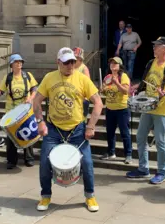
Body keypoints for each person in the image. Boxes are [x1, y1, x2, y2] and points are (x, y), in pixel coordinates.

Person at [33, 47, 103, 212]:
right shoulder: (49, 78)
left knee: (87, 162)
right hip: (53, 129)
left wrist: (91, 126)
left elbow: (98, 103)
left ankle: (90, 195)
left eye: (72, 62)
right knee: (44, 163)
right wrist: (40, 122)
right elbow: (36, 102)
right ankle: (45, 196)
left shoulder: (82, 79)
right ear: (58, 62)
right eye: (66, 62)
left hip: (77, 130)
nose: (70, 65)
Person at [126, 37, 165, 184]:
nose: (154, 48)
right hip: (148, 107)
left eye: (156, 46)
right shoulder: (151, 63)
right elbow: (147, 82)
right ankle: (143, 168)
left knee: (160, 141)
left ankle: (162, 171)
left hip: (162, 109)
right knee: (140, 137)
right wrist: (136, 88)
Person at [0, 54, 38, 169]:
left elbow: (35, 89)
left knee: (27, 134)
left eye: (21, 62)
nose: (19, 64)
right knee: (11, 136)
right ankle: (11, 160)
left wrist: (30, 98)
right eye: (17, 62)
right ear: (11, 64)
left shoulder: (27, 76)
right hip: (11, 111)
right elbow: (0, 93)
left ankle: (29, 158)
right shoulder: (8, 78)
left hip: (25, 110)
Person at [100, 57, 133, 164]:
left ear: (120, 66)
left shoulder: (123, 76)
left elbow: (125, 91)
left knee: (124, 132)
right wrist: (103, 90)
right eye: (111, 63)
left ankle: (128, 154)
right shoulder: (107, 77)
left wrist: (117, 83)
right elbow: (106, 92)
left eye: (115, 63)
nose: (113, 65)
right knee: (110, 132)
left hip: (122, 109)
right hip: (110, 108)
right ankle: (111, 152)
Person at [73, 47, 91, 119]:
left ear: (80, 59)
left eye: (75, 57)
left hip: (82, 99)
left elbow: (87, 84)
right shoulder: (70, 67)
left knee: (81, 119)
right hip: (72, 98)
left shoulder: (84, 68)